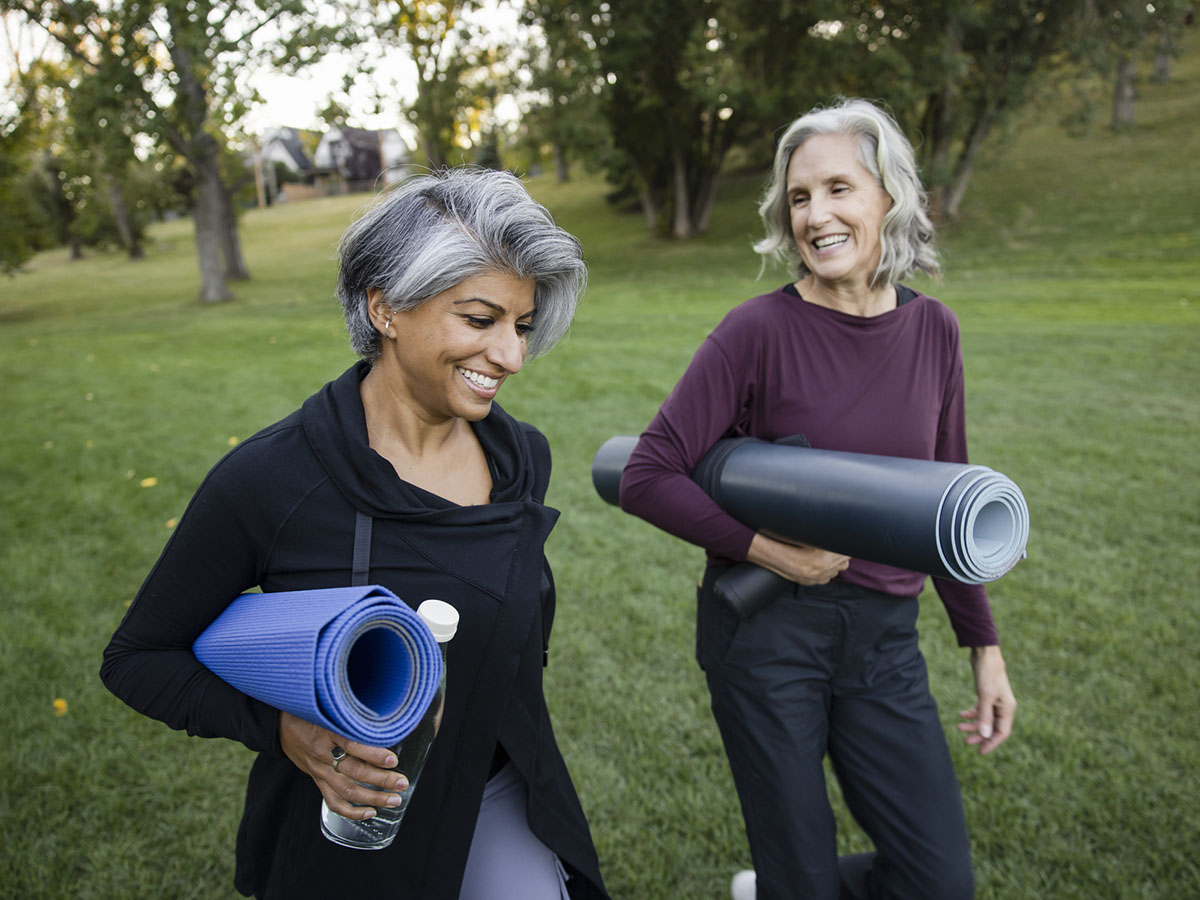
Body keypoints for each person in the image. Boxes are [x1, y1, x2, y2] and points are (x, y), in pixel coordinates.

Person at [101, 167, 609, 900]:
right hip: (351, 822)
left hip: (499, 784)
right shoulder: (272, 481)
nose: (511, 356)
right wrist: (281, 729)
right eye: (479, 319)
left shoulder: (519, 455)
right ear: (385, 308)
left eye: (521, 326)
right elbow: (138, 657)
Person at [618, 99, 1017, 900]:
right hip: (768, 638)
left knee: (939, 884)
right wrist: (772, 554)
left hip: (884, 642)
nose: (817, 214)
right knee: (798, 881)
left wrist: (985, 647)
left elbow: (950, 497)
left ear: (888, 199)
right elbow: (647, 473)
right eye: (800, 197)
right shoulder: (755, 332)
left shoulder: (935, 331)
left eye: (839, 188)